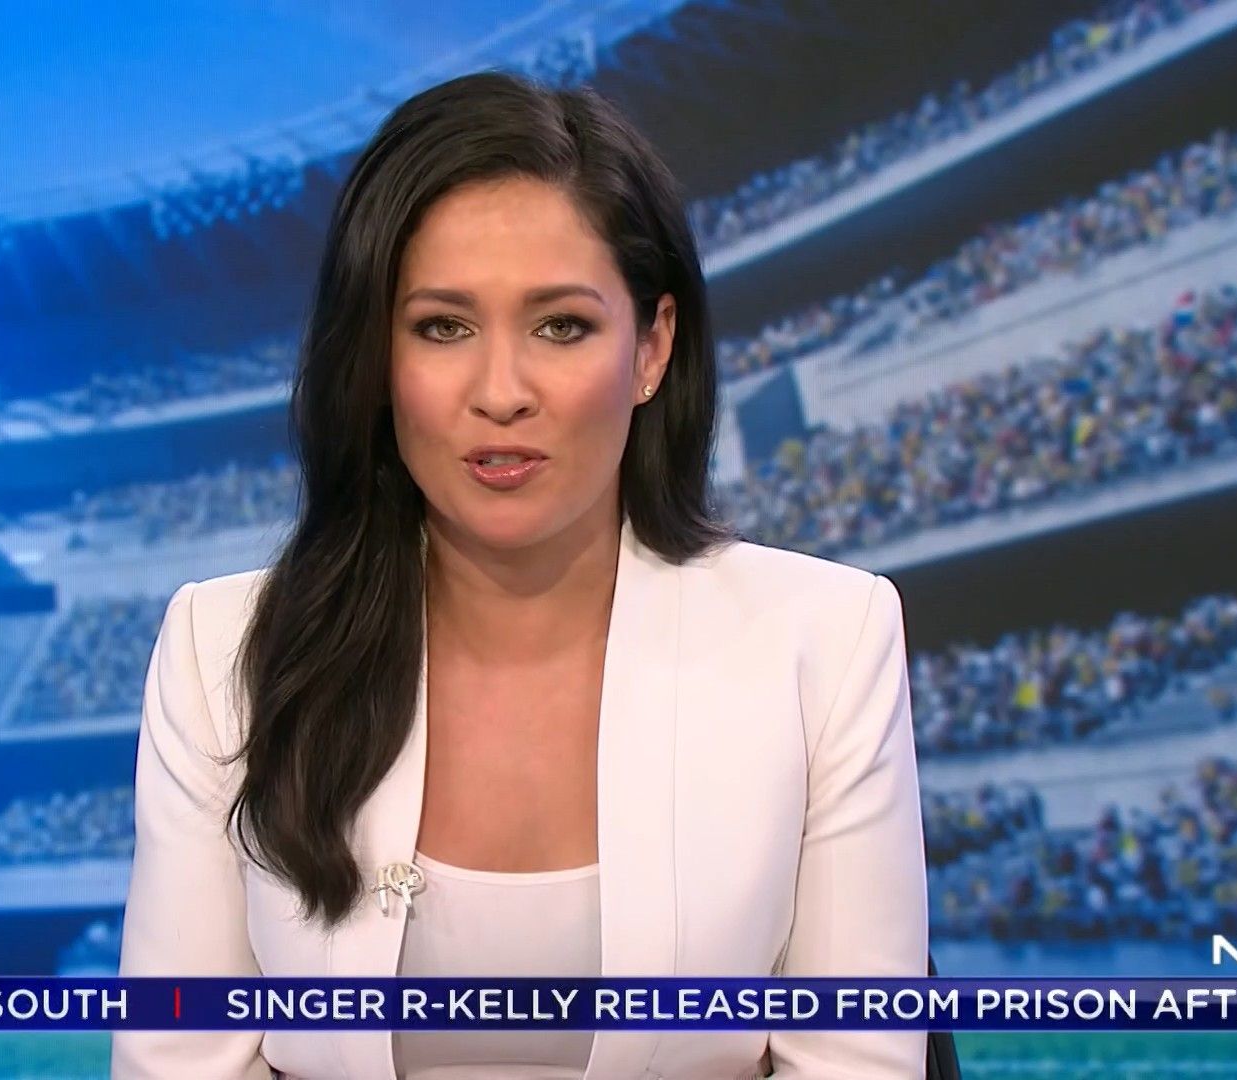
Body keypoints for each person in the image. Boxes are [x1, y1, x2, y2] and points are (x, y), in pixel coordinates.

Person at [113, 70, 928, 1079]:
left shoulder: (828, 639)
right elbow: (178, 1059)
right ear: (376, 360)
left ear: (651, 348)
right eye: (443, 327)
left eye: (561, 326)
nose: (501, 392)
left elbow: (856, 1060)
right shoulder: (221, 652)